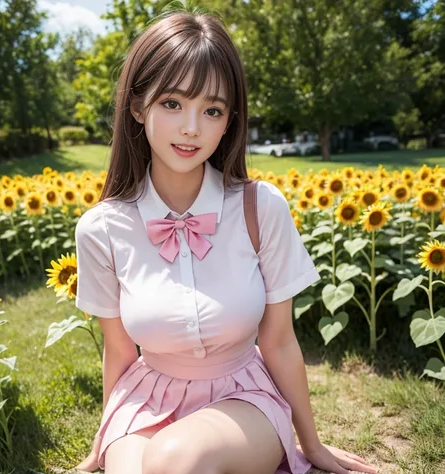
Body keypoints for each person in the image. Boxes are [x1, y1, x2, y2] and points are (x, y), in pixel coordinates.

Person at [73, 10, 378, 474]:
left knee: (176, 460)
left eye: (211, 110)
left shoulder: (261, 208)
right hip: (146, 401)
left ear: (229, 120)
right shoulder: (101, 229)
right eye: (173, 103)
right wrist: (104, 444)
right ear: (138, 107)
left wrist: (311, 445)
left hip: (244, 396)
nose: (192, 127)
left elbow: (278, 341)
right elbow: (118, 350)